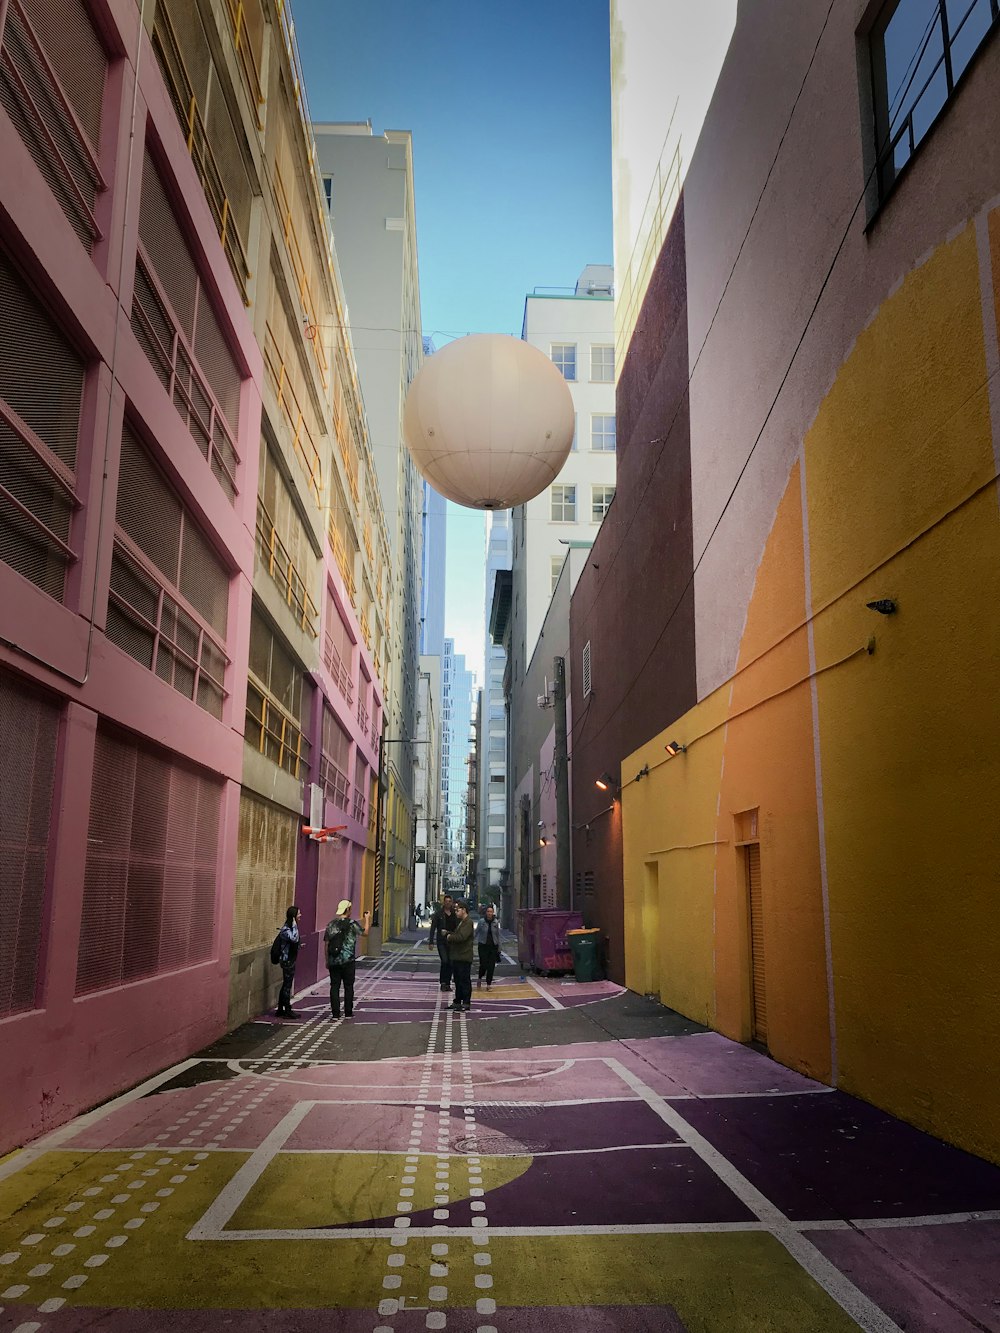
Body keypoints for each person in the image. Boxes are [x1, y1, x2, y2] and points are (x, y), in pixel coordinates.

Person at [324, 898, 370, 1019]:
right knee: (348, 986)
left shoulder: (331, 924)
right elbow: (365, 933)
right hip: (348, 960)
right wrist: (367, 919)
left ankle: (335, 1013)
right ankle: (348, 1012)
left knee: (334, 986)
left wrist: (327, 960)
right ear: (348, 909)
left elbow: (326, 943)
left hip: (334, 960)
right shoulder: (351, 924)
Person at [445, 899, 474, 1012]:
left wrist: (449, 937)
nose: (456, 912)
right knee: (457, 980)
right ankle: (457, 1001)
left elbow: (462, 937)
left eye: (458, 910)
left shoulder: (468, 922)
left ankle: (466, 1002)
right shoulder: (461, 922)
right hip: (457, 956)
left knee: (464, 980)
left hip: (464, 956)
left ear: (464, 910)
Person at [428, 894, 457, 992]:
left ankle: (448, 983)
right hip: (441, 941)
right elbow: (433, 928)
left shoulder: (454, 914)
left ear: (452, 903)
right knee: (444, 961)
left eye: (450, 901)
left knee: (451, 962)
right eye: (446, 901)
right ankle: (443, 982)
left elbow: (458, 928)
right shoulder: (439, 914)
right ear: (443, 902)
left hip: (452, 941)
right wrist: (431, 941)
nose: (448, 903)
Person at [276, 905, 301, 1018]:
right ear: (294, 916)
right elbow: (294, 938)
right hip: (287, 961)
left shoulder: (289, 928)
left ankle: (281, 1008)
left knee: (286, 985)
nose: (300, 916)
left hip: (290, 960)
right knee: (287, 985)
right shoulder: (286, 929)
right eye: (298, 914)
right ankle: (287, 1010)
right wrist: (295, 925)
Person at [475, 904, 501, 990]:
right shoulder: (481, 922)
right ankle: (479, 977)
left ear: (493, 913)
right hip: (483, 945)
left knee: (491, 966)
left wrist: (499, 948)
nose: (489, 913)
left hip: (493, 946)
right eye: (488, 912)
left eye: (491, 912)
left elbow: (498, 935)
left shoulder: (495, 922)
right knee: (484, 964)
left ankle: (488, 984)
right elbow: (476, 932)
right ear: (486, 913)